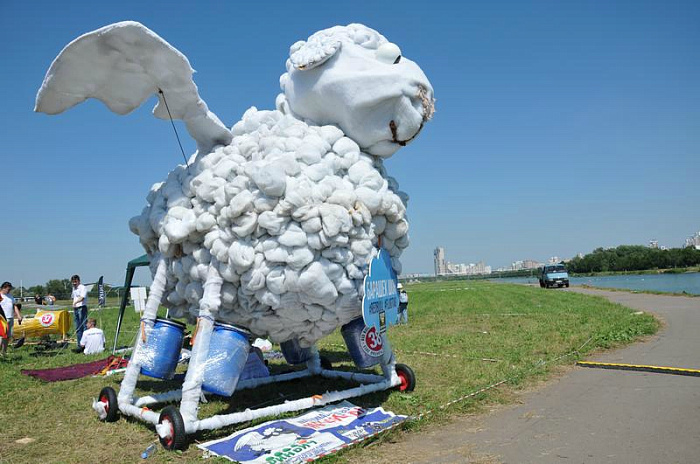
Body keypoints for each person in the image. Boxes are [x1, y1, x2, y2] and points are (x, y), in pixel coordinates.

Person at [0, 282, 23, 355]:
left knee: (8, 336)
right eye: (8, 289)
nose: (9, 290)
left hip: (10, 318)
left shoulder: (10, 296)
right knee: (1, 336)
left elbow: (14, 306)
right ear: (3, 288)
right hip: (2, 319)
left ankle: (4, 352)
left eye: (10, 289)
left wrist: (18, 315)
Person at [71, 274, 89, 346]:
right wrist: (74, 303)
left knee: (84, 325)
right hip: (75, 308)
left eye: (75, 282)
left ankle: (85, 344)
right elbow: (73, 297)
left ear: (78, 281)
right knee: (77, 327)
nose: (74, 283)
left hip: (82, 308)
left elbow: (82, 297)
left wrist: (75, 302)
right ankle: (79, 344)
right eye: (73, 282)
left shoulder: (83, 288)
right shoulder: (74, 288)